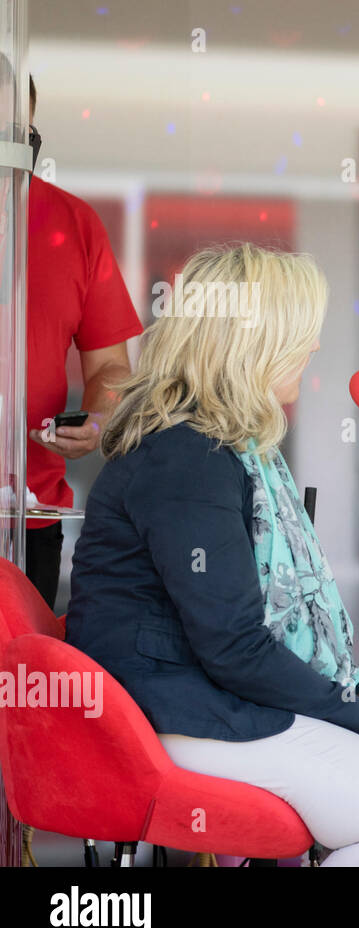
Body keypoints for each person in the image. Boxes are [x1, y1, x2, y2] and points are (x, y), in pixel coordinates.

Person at [66, 244, 359, 866]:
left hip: (223, 696)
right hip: (174, 716)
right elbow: (235, 646)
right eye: (302, 331)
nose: (314, 348)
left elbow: (282, 633)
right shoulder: (186, 457)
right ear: (253, 341)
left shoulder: (237, 452)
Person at [25, 74, 140, 610]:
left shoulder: (74, 224)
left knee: (19, 683)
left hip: (28, 512)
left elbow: (111, 369)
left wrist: (96, 420)